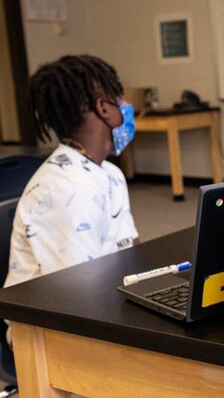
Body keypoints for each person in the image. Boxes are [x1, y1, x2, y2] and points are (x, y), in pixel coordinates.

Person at [4, 54, 139, 290]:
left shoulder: (110, 173)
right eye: (119, 96)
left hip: (108, 296)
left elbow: (132, 251)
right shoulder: (66, 190)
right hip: (50, 323)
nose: (126, 105)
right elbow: (78, 297)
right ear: (103, 109)